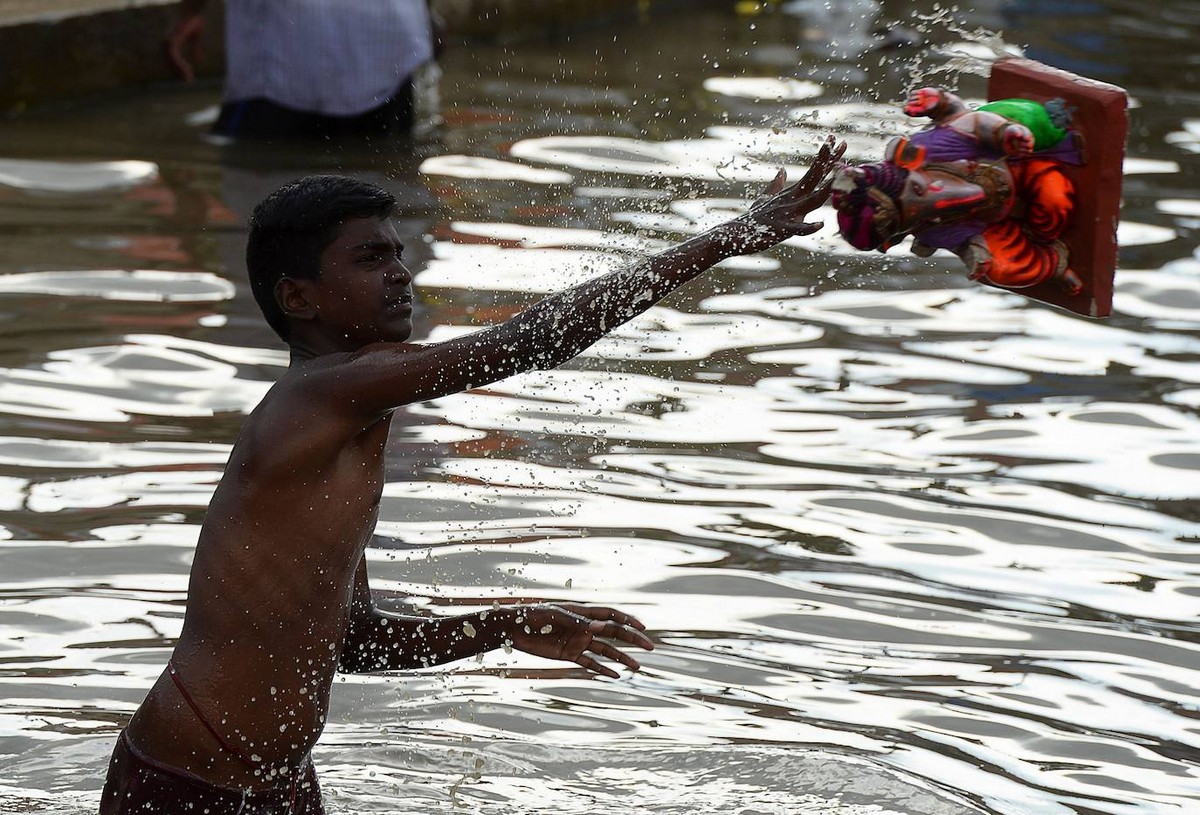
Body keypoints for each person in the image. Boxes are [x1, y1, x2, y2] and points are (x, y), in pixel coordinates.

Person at [98, 137, 847, 813]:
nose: (399, 273)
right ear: (299, 297)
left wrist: (505, 623)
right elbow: (529, 342)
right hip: (187, 783)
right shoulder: (318, 392)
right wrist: (728, 237)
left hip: (278, 780)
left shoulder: (347, 422)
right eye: (369, 259)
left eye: (398, 254)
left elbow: (356, 642)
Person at [167, 0, 443, 139]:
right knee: (382, 182)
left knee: (258, 182)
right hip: (390, 46)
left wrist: (191, 13)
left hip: (290, 58)